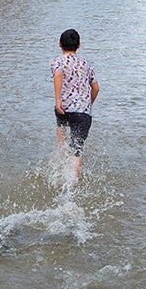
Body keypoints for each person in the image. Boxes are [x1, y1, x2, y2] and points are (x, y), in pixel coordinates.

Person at [51, 28, 99, 178]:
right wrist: (88, 104)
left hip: (63, 109)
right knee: (77, 150)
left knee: (61, 128)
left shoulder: (57, 61)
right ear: (79, 45)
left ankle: (61, 156)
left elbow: (58, 73)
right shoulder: (86, 64)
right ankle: (72, 183)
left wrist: (58, 100)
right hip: (83, 112)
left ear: (59, 44)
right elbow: (96, 88)